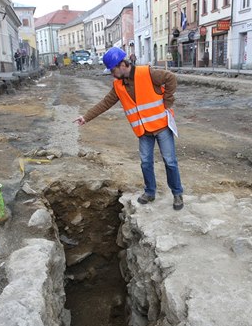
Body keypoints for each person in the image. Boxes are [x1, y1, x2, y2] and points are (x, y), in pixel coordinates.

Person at [73, 47, 184, 210]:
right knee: (146, 162)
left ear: (122, 65)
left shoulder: (147, 73)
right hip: (143, 130)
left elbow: (171, 78)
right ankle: (150, 192)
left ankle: (177, 194)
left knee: (170, 161)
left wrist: (167, 101)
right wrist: (86, 117)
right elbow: (105, 103)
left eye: (112, 70)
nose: (112, 74)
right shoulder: (118, 85)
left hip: (161, 126)